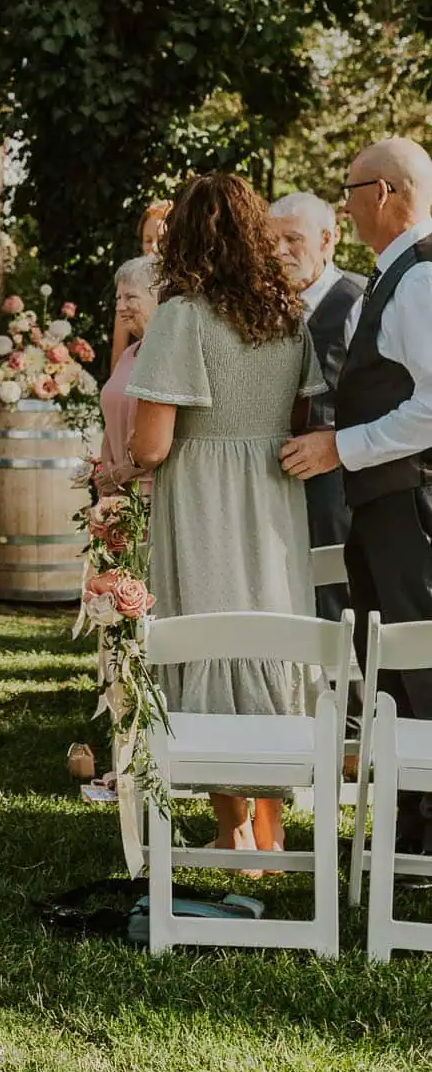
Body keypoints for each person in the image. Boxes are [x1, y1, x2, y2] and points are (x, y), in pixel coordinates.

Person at [128, 172, 325, 860]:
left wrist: (128, 457)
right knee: (269, 635)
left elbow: (151, 443)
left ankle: (231, 825)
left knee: (210, 632)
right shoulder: (288, 314)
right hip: (271, 495)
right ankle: (269, 828)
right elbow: (298, 417)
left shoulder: (181, 316)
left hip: (204, 495)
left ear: (183, 237)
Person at [281, 138, 432, 853]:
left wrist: (338, 445)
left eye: (347, 189)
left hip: (412, 509)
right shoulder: (393, 275)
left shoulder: (422, 278)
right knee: (388, 674)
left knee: (420, 668)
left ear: (382, 193)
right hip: (381, 506)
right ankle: (406, 835)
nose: (342, 202)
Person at [269, 192, 363, 621]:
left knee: (335, 600)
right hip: (270, 478)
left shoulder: (360, 300)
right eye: (271, 241)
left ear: (328, 240)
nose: (279, 251)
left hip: (338, 486)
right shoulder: (264, 308)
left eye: (292, 239)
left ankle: (344, 688)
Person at [97, 257, 159, 492]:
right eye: (118, 299)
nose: (120, 307)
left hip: (153, 493)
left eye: (130, 297)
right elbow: (110, 420)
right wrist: (107, 474)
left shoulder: (167, 355)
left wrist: (123, 472)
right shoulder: (128, 355)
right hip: (116, 490)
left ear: (158, 297)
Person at [111, 201, 172, 369]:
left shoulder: (187, 290)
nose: (153, 247)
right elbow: (117, 360)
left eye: (161, 239)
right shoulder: (128, 288)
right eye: (147, 240)